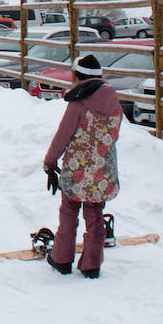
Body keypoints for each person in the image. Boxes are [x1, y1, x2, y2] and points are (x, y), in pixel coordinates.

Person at [42, 54, 122, 280]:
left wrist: (50, 162)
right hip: (102, 170)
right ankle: (91, 265)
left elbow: (63, 136)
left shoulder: (78, 103)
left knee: (69, 212)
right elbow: (113, 135)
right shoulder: (113, 101)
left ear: (78, 76)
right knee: (95, 215)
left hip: (77, 170)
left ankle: (61, 259)